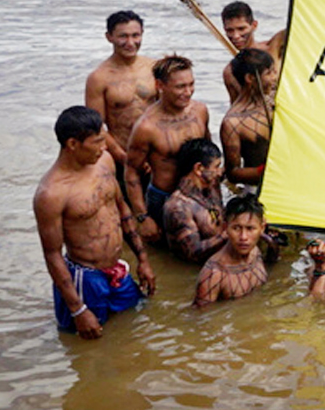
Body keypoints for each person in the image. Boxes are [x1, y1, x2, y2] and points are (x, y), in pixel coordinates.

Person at [32, 106, 155, 338]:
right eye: (97, 142)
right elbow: (52, 254)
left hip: (117, 270)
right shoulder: (51, 194)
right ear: (72, 144)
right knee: (86, 342)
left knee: (135, 325)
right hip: (85, 278)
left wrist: (143, 260)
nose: (104, 147)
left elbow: (122, 211)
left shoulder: (105, 162)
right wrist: (78, 309)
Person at [123, 55, 211, 243]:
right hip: (163, 199)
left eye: (191, 84)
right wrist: (142, 217)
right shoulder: (147, 127)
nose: (188, 92)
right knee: (167, 253)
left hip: (198, 195)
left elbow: (209, 153)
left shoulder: (200, 111)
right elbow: (131, 173)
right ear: (160, 86)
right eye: (180, 87)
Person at [83, 10, 155, 164]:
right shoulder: (98, 78)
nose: (130, 43)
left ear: (142, 34)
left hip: (157, 153)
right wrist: (121, 155)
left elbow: (169, 109)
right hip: (122, 153)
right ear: (109, 37)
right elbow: (96, 126)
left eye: (135, 35)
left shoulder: (154, 68)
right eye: (123, 36)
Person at [194, 195, 271, 307]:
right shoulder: (214, 274)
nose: (243, 237)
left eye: (250, 229)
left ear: (262, 228)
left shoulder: (255, 251)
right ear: (225, 228)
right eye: (236, 228)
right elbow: (201, 319)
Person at [160, 138, 228, 264]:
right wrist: (230, 233)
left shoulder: (212, 186)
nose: (219, 172)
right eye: (217, 167)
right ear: (199, 168)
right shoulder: (178, 207)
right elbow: (192, 253)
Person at [219, 47, 276, 192]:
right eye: (269, 73)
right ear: (250, 78)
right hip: (258, 190)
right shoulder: (233, 122)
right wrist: (268, 170)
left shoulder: (277, 100)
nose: (274, 77)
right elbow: (233, 173)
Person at [219, 0, 288, 101]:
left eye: (241, 29)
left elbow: (302, 23)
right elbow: (236, 108)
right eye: (230, 30)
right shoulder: (230, 72)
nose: (236, 36)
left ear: (254, 25)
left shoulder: (273, 47)